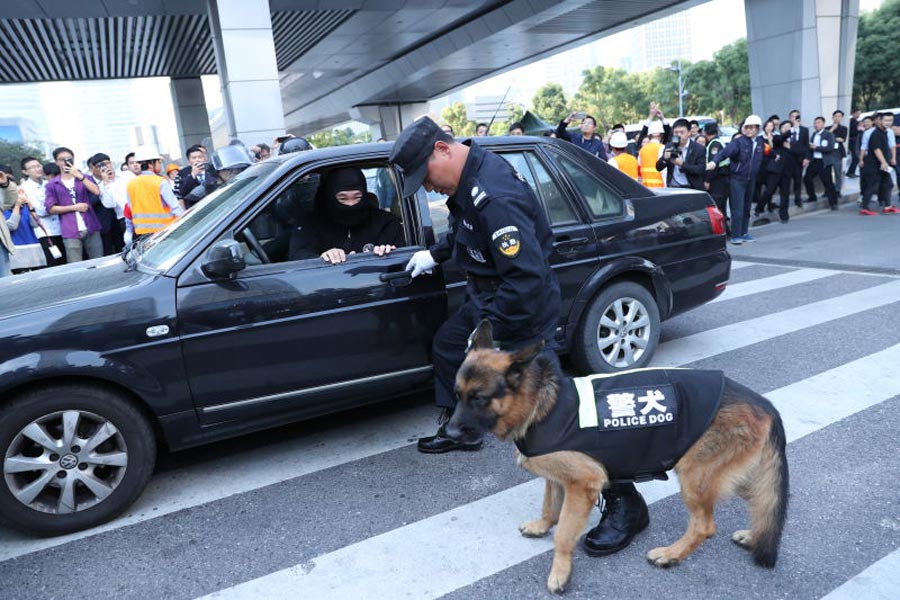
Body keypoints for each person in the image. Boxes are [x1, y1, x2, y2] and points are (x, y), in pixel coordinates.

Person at [388, 116, 561, 456]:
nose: (426, 187)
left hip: (521, 306)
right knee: (449, 345)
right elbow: (465, 233)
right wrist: (435, 255)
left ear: (442, 150)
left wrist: (489, 330)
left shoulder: (495, 195)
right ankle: (466, 427)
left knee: (549, 414)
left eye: (424, 177)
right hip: (488, 295)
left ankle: (615, 493)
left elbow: (526, 277)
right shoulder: (468, 179)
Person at [289, 166, 404, 263]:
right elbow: (298, 255)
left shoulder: (386, 223)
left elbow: (402, 258)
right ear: (330, 197)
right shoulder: (311, 224)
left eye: (357, 197)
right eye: (343, 198)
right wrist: (323, 257)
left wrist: (386, 252)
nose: (351, 204)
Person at [707, 115, 765, 244]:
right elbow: (724, 153)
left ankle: (744, 232)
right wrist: (714, 162)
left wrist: (776, 156)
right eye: (747, 127)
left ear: (758, 129)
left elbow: (765, 154)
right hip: (738, 179)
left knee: (746, 207)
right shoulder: (738, 142)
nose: (749, 130)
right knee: (737, 208)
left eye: (752, 128)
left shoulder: (760, 142)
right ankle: (735, 235)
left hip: (751, 179)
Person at [44, 147, 104, 262]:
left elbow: (96, 192)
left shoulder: (85, 177)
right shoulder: (52, 184)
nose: (65, 162)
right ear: (56, 162)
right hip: (70, 229)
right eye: (61, 159)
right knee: (75, 264)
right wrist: (74, 207)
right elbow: (50, 208)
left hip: (91, 224)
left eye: (68, 159)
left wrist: (79, 176)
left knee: (98, 261)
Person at [126, 144, 185, 240]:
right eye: (158, 162)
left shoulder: (130, 184)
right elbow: (175, 207)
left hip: (143, 235)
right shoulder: (160, 181)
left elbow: (130, 208)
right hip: (165, 231)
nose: (160, 164)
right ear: (150, 164)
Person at [19, 156, 65, 266]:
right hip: (44, 232)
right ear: (25, 172)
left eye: (38, 166)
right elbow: (40, 210)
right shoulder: (24, 188)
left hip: (61, 228)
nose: (37, 169)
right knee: (53, 264)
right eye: (32, 167)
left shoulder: (49, 183)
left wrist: (57, 208)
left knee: (65, 261)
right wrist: (58, 208)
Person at [860, 113, 898, 215]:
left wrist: (889, 160)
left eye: (890, 120)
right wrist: (884, 162)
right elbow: (876, 149)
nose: (888, 123)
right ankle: (865, 207)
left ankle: (888, 206)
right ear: (880, 121)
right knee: (872, 186)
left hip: (882, 165)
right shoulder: (875, 133)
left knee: (888, 184)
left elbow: (889, 147)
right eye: (886, 120)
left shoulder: (885, 132)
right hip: (874, 165)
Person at [757, 121, 795, 224]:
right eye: (785, 127)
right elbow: (778, 140)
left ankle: (784, 216)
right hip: (775, 169)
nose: (787, 128)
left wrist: (791, 147)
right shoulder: (776, 137)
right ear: (780, 129)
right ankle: (759, 208)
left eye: (789, 127)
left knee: (785, 193)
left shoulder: (792, 140)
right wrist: (789, 131)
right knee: (769, 190)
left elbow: (798, 151)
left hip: (787, 170)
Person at [655, 118, 707, 190]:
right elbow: (658, 167)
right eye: (676, 132)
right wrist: (664, 159)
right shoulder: (669, 146)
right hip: (673, 187)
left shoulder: (698, 149)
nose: (679, 135)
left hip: (692, 188)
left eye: (682, 132)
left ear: (689, 133)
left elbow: (700, 170)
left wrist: (682, 164)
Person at [87, 153, 123, 254]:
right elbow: (89, 202)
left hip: (119, 221)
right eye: (99, 165)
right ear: (92, 168)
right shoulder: (89, 183)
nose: (104, 167)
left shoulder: (119, 179)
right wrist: (102, 188)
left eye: (106, 164)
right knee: (107, 252)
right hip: (103, 225)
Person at [803, 116, 839, 210]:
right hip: (814, 161)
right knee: (807, 178)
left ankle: (833, 203)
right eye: (815, 123)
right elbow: (810, 148)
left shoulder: (828, 134)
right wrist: (807, 158)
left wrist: (817, 148)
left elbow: (830, 148)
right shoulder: (814, 134)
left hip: (824, 162)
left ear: (823, 124)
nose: (816, 125)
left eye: (818, 122)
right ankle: (812, 196)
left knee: (828, 183)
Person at [704, 123, 731, 234]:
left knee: (718, 207)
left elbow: (713, 165)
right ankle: (726, 231)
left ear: (705, 132)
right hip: (722, 178)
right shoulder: (719, 142)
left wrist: (707, 180)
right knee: (721, 207)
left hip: (717, 180)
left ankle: (723, 231)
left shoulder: (714, 144)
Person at [786, 109, 810, 206]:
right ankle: (785, 199)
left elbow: (806, 145)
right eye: (793, 116)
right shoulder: (787, 129)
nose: (795, 119)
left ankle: (798, 199)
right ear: (790, 118)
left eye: (797, 117)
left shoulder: (804, 130)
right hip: (787, 158)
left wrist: (807, 158)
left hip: (799, 159)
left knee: (797, 180)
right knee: (786, 180)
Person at [0, 191, 25, 277]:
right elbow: (11, 225)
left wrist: (31, 207)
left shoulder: (24, 207)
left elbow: (35, 223)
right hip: (16, 251)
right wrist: (17, 206)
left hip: (31, 249)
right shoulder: (5, 211)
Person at [639, 120, 666, 188]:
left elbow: (639, 169)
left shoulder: (642, 150)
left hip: (646, 188)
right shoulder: (662, 148)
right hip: (661, 188)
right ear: (661, 134)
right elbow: (665, 171)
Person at [829, 110, 847, 193]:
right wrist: (832, 129)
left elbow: (842, 139)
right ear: (832, 117)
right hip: (828, 152)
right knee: (827, 173)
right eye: (836, 116)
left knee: (837, 172)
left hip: (838, 153)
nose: (837, 118)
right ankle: (828, 190)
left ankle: (837, 190)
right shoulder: (827, 128)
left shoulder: (844, 128)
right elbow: (826, 137)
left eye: (839, 116)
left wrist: (832, 138)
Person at [846, 109, 862, 178]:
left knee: (856, 157)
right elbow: (853, 131)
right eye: (857, 113)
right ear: (853, 113)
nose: (858, 115)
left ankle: (852, 171)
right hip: (852, 140)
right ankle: (850, 172)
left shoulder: (857, 122)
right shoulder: (851, 121)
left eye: (859, 114)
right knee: (855, 157)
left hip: (856, 140)